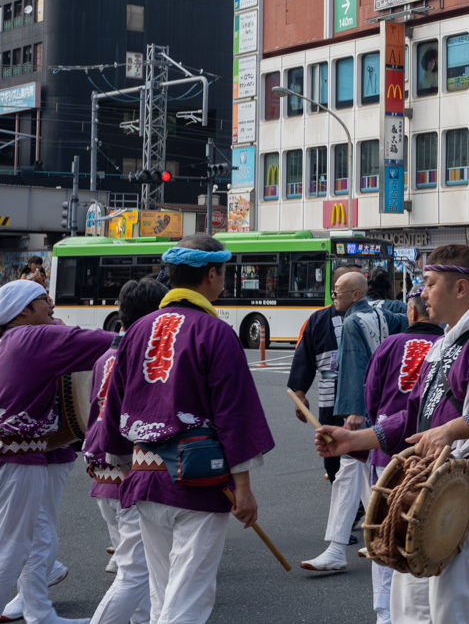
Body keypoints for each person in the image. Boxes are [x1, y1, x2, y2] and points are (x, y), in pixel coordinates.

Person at [316, 244, 469, 624]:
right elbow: (415, 420)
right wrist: (356, 440)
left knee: (460, 615)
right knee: (411, 614)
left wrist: (450, 430)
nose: (421, 292)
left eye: (429, 283)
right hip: (430, 494)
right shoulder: (444, 343)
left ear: (460, 288)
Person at [96, 235, 274, 624]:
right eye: (222, 273)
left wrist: (122, 462)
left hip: (144, 478)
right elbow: (234, 412)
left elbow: (115, 403)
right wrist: (243, 487)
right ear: (212, 274)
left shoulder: (138, 329)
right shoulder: (215, 331)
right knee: (188, 597)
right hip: (199, 481)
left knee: (164, 593)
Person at [0, 278, 112, 624]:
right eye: (44, 301)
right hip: (19, 457)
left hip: (20, 453)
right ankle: (35, 609)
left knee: (22, 538)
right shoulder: (33, 337)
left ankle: (38, 611)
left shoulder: (7, 339)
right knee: (14, 546)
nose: (52, 306)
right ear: (23, 311)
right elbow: (109, 341)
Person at [303, 270, 406, 572]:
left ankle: (341, 547)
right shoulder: (385, 313)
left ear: (356, 294)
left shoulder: (352, 320)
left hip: (364, 408)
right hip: (385, 404)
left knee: (353, 472)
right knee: (365, 474)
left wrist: (352, 411)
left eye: (338, 291)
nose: (334, 296)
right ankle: (375, 535)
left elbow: (353, 365)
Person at [82, 277, 165, 624]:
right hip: (131, 471)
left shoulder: (105, 358)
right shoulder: (145, 357)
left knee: (139, 570)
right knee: (135, 572)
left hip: (103, 471)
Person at [360, 290, 444, 623]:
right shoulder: (451, 347)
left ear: (411, 311)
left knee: (384, 529)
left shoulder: (390, 344)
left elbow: (371, 397)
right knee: (430, 532)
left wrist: (378, 429)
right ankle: (430, 606)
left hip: (388, 452)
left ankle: (385, 611)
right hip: (434, 451)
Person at [288, 264, 364, 484]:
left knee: (364, 452)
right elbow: (304, 357)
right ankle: (342, 492)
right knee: (332, 452)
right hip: (330, 397)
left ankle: (363, 503)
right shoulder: (318, 320)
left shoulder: (371, 318)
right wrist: (299, 393)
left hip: (365, 396)